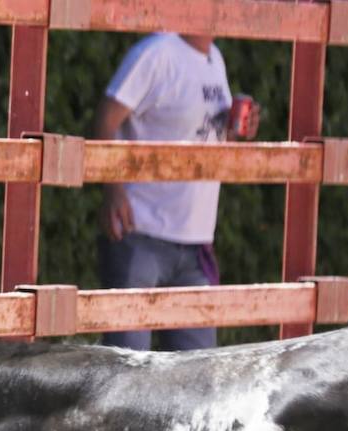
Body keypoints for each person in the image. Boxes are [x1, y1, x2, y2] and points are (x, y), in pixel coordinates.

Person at [94, 32, 245, 350]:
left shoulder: (215, 57)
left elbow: (205, 137)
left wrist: (232, 130)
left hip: (195, 245)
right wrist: (113, 191)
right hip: (140, 233)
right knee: (128, 374)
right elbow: (106, 120)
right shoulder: (156, 53)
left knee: (198, 381)